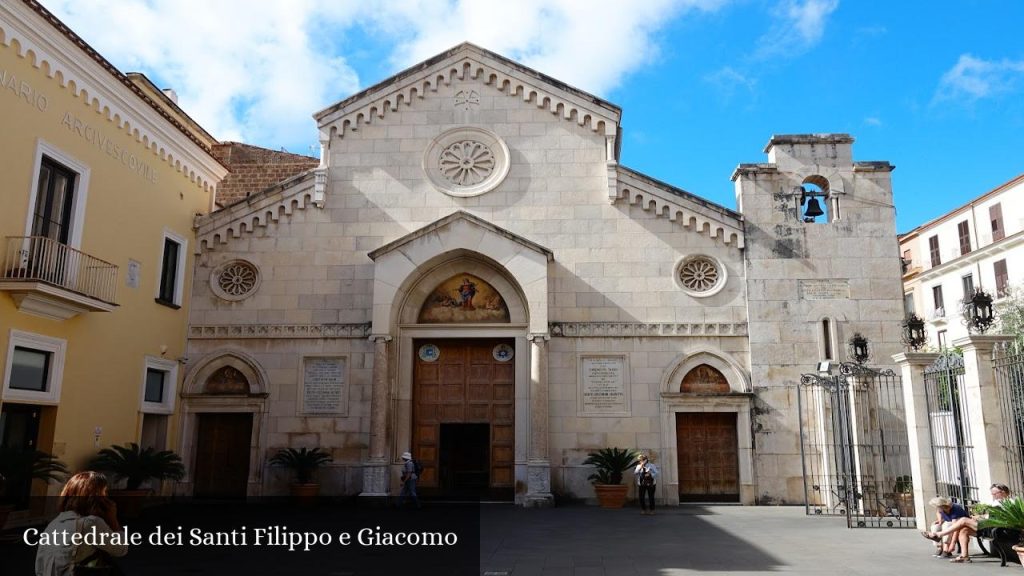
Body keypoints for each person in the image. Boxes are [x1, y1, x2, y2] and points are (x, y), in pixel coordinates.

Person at [35, 471, 128, 575]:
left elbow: (40, 567)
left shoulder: (54, 524)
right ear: (96, 497)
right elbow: (121, 550)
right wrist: (113, 520)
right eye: (104, 492)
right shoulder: (90, 523)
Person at [922, 483, 1013, 562]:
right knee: (964, 530)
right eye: (992, 493)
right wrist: (979, 517)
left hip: (996, 527)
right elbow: (991, 516)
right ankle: (964, 556)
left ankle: (939, 534)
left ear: (1003, 492)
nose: (993, 495)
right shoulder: (996, 502)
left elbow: (1004, 518)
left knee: (963, 520)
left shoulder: (1011, 502)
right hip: (987, 525)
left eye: (994, 493)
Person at [921, 496, 971, 562]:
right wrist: (939, 521)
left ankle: (946, 549)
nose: (936, 508)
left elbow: (956, 528)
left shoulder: (955, 509)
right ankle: (939, 547)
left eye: (937, 507)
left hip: (961, 526)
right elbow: (938, 512)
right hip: (949, 522)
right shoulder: (941, 510)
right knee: (935, 526)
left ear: (942, 506)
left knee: (947, 525)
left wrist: (953, 544)